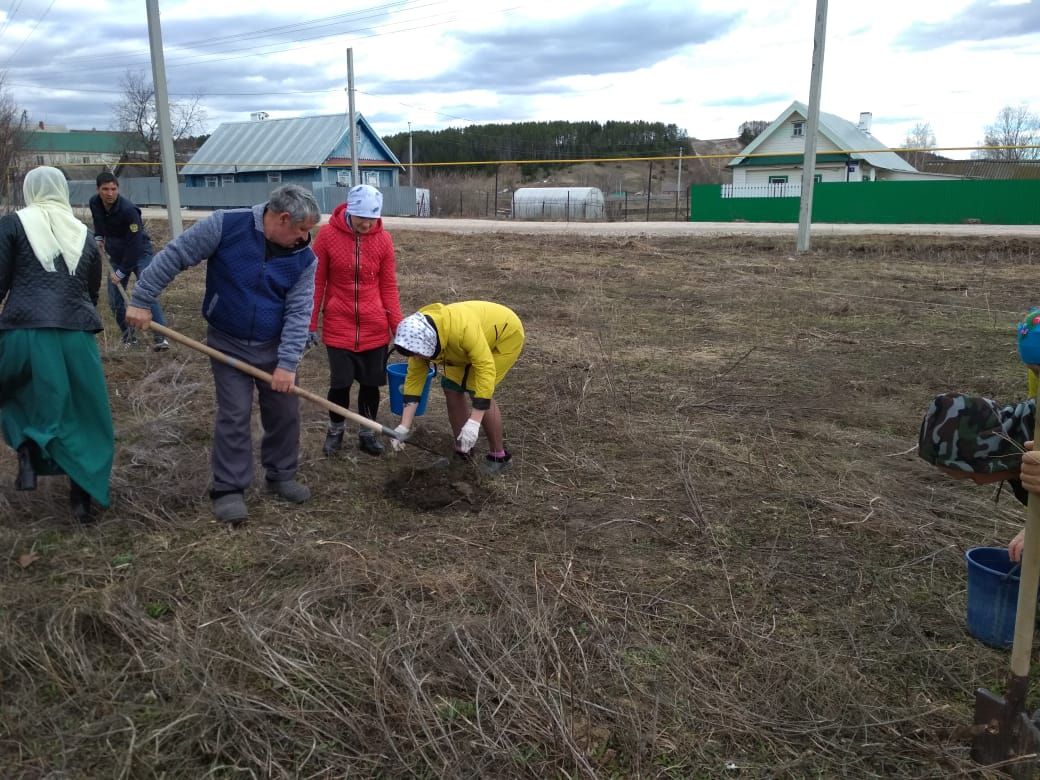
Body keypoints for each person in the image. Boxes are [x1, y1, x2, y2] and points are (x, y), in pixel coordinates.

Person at [125, 184, 320, 525]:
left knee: (284, 410)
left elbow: (299, 312)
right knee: (234, 411)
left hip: (274, 344)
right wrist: (142, 300)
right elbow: (175, 255)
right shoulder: (225, 225)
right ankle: (229, 488)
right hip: (227, 339)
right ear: (283, 218)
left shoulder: (304, 258)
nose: (306, 238)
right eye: (302, 230)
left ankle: (280, 474)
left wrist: (287, 364)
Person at [0, 166, 114, 522]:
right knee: (83, 414)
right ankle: (81, 499)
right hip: (75, 336)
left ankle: (29, 454)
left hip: (23, 331)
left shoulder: (12, 224)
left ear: (29, 190)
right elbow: (91, 291)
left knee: (18, 395)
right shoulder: (84, 233)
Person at [308, 184, 402, 457]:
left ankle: (366, 432)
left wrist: (397, 327)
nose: (366, 223)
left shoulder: (383, 240)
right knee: (340, 384)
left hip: (374, 327)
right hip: (339, 324)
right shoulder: (327, 236)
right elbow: (316, 282)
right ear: (349, 211)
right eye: (361, 217)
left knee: (371, 384)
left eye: (372, 218)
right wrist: (310, 323)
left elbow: (388, 287)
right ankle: (335, 430)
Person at [390, 300, 524, 475]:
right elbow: (414, 380)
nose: (417, 357)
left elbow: (485, 368)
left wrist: (474, 422)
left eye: (418, 354)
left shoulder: (462, 330)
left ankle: (499, 456)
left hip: (503, 336)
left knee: (478, 389)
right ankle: (463, 451)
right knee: (451, 387)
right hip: (458, 349)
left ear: (430, 343)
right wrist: (404, 426)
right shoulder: (416, 336)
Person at [89, 172, 170, 350]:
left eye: (113, 189)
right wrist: (99, 236)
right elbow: (99, 222)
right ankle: (129, 338)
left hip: (140, 253)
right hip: (117, 254)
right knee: (115, 299)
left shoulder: (129, 210)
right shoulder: (95, 202)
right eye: (105, 189)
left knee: (146, 292)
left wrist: (122, 271)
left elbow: (134, 244)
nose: (110, 193)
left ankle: (161, 339)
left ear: (118, 189)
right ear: (98, 189)